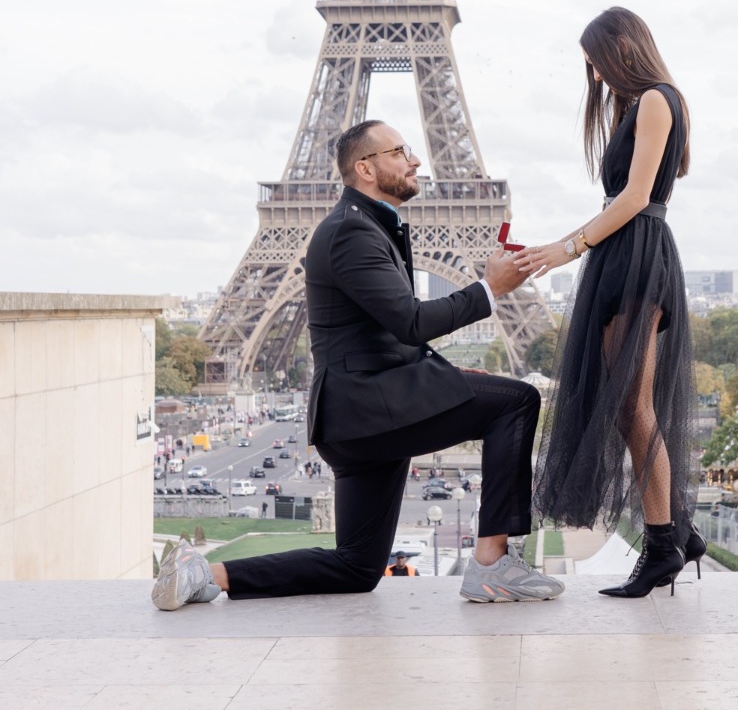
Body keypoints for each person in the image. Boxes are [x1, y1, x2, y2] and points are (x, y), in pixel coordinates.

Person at [151, 120, 564, 610]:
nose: (415, 161)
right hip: (371, 410)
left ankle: (206, 573)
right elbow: (411, 322)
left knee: (356, 566)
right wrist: (489, 289)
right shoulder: (351, 231)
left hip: (358, 417)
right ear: (365, 168)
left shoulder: (364, 226)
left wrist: (452, 378)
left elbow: (383, 334)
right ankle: (493, 566)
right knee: (516, 401)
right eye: (401, 151)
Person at [518, 7, 700, 598]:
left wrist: (565, 248)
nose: (592, 75)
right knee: (629, 405)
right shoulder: (643, 101)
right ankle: (677, 533)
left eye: (594, 59)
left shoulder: (654, 99)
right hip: (626, 255)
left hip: (635, 255)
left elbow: (635, 196)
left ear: (622, 45)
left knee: (631, 405)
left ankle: (664, 546)